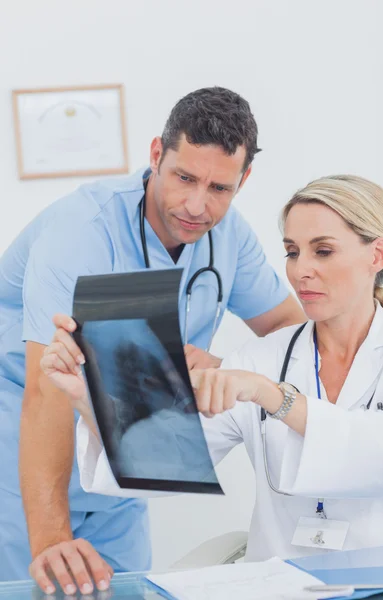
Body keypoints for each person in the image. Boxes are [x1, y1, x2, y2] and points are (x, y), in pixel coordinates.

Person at [0, 86, 304, 591]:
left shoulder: (229, 237)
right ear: (156, 155)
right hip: (19, 450)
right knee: (38, 587)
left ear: (243, 180)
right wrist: (51, 537)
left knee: (125, 589)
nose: (196, 205)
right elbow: (45, 390)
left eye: (219, 188)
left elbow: (291, 336)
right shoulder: (82, 231)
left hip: (123, 450)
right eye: (184, 177)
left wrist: (227, 368)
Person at [43, 174, 383, 593]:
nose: (301, 270)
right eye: (291, 252)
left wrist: (273, 396)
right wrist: (88, 396)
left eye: (322, 251)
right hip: (278, 587)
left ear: (377, 254)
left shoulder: (258, 377)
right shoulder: (260, 359)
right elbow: (161, 463)